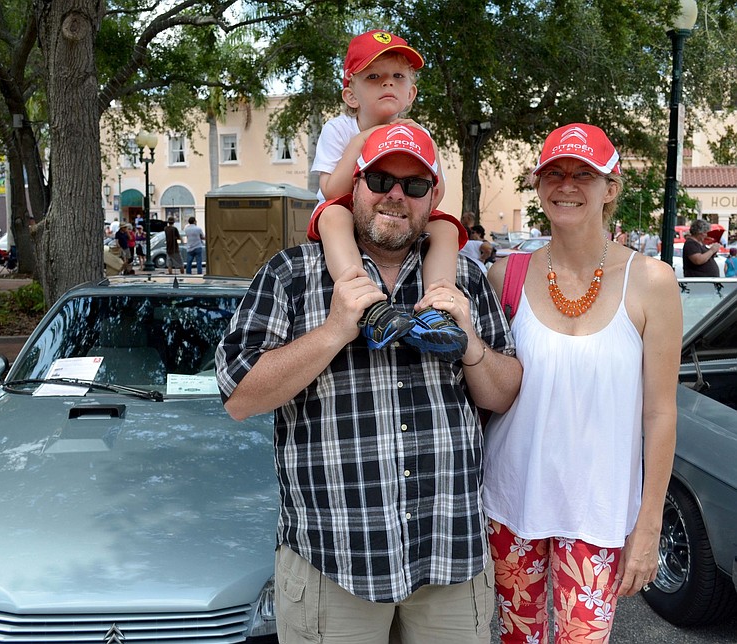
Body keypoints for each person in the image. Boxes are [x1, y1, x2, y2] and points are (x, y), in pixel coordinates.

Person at [216, 124, 522, 644]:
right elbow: (239, 397)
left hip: (449, 556)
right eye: (380, 179)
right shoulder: (291, 275)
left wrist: (469, 342)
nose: (396, 195)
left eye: (414, 185)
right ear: (354, 186)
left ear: (433, 198)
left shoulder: (464, 281)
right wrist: (335, 330)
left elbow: (504, 391)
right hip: (333, 561)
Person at [484, 123, 681, 643]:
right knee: (515, 639)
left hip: (598, 511)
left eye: (582, 174)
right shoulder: (504, 275)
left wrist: (649, 524)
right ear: (538, 182)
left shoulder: (652, 281)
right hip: (511, 503)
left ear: (610, 187)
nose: (566, 185)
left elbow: (660, 414)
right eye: (554, 172)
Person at [309, 29, 468, 361]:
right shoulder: (339, 129)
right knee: (332, 214)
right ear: (351, 95)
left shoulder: (420, 133)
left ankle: (435, 308)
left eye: (397, 76)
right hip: (349, 213)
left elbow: (436, 192)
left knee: (447, 228)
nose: (387, 84)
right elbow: (331, 190)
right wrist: (366, 139)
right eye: (374, 76)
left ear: (410, 93)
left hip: (396, 215)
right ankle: (366, 304)